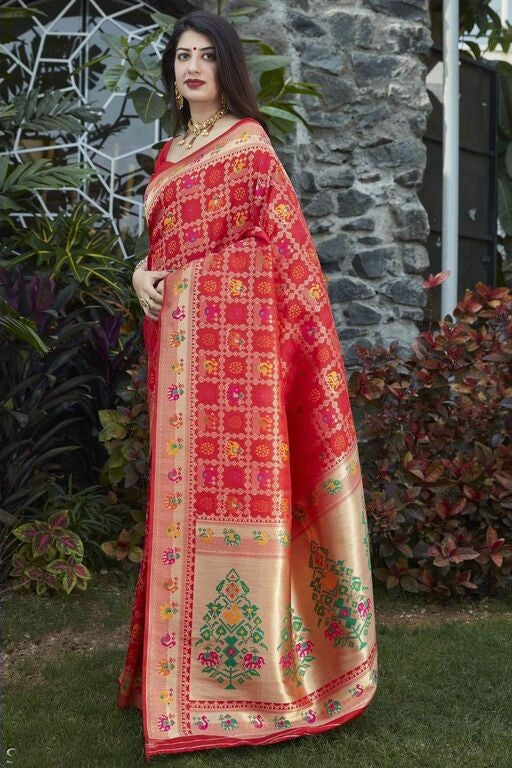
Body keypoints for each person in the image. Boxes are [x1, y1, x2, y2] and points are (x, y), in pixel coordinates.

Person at [117, 9, 378, 761]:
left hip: (242, 373)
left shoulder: (250, 147)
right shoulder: (170, 155)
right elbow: (160, 251)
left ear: (226, 66)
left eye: (205, 55)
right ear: (171, 71)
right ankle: (176, 678)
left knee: (239, 503)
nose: (191, 67)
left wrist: (188, 283)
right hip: (181, 366)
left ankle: (243, 684)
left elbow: (279, 255)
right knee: (178, 507)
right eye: (181, 56)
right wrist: (141, 275)